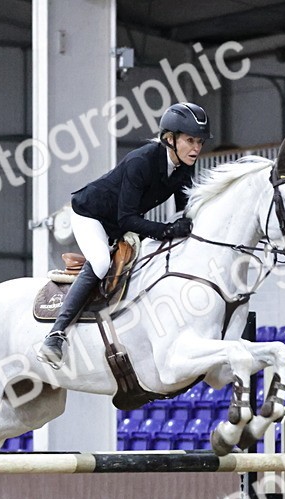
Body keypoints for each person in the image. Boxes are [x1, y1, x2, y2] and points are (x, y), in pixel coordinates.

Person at [36, 102, 211, 367]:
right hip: (91, 215)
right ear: (169, 138)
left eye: (199, 142)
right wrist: (165, 230)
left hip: (122, 222)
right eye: (190, 140)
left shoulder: (184, 166)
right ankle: (56, 335)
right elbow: (127, 217)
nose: (196, 148)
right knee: (101, 261)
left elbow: (183, 212)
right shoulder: (142, 161)